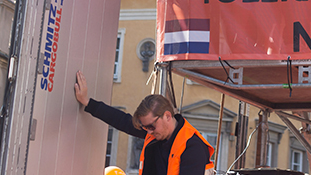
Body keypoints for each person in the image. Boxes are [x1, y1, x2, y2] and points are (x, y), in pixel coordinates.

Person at [73, 71, 213, 175]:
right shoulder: (155, 132)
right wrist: (87, 102)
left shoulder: (193, 147)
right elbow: (122, 120)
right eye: (145, 127)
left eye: (151, 126)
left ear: (167, 116)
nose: (149, 131)